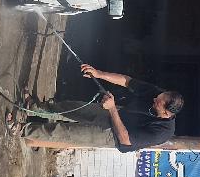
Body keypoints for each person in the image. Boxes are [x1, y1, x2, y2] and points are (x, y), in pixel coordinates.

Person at [22, 64, 184, 153]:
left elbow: (126, 140)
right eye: (158, 96)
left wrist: (112, 109)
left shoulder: (162, 132)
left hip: (112, 134)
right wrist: (99, 73)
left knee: (64, 132)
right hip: (117, 112)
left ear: (166, 112)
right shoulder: (159, 95)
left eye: (158, 102)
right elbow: (127, 81)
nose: (154, 99)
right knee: (71, 108)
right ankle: (33, 107)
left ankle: (21, 129)